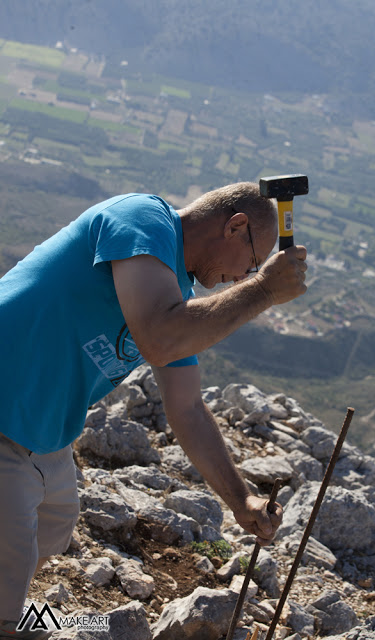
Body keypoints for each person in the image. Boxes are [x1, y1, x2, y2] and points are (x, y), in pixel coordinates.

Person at [0, 181, 308, 638]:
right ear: (235, 225)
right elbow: (160, 338)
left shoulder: (174, 294)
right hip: (6, 409)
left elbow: (187, 408)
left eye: (254, 272)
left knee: (54, 525)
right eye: (251, 261)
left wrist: (241, 500)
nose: (244, 275)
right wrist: (263, 290)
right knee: (10, 601)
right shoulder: (142, 219)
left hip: (43, 432)